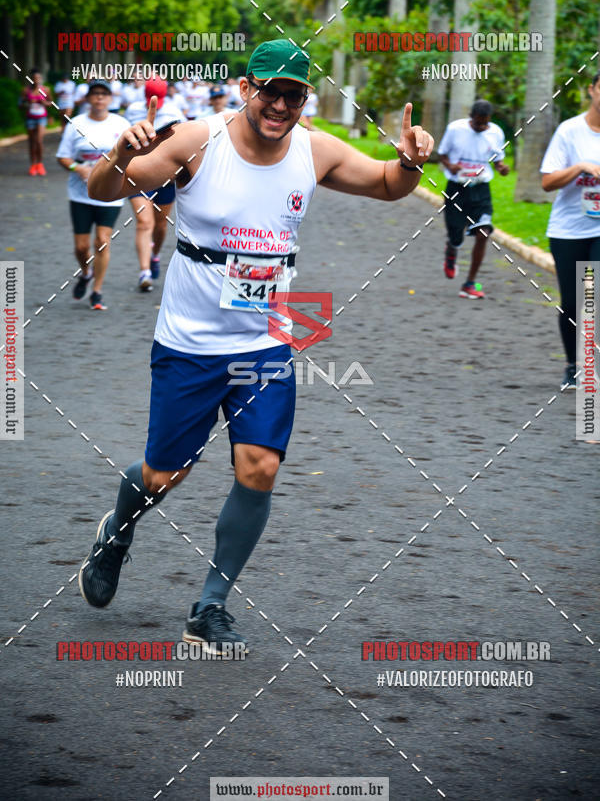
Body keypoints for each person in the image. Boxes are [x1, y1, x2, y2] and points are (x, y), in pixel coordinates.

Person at [78, 39, 433, 653]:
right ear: (247, 89)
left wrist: (408, 161)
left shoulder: (312, 149)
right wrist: (117, 154)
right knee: (165, 474)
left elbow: (385, 185)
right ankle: (116, 533)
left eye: (293, 94)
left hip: (265, 341)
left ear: (304, 100)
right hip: (189, 343)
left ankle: (209, 607)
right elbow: (103, 188)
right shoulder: (196, 140)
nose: (280, 104)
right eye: (269, 90)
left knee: (260, 467)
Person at [540, 71, 600, 389]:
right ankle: (572, 366)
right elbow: (547, 181)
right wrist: (579, 168)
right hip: (568, 231)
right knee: (574, 301)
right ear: (592, 90)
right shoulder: (570, 131)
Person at [56, 80, 130, 310]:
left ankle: (97, 291)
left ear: (110, 99)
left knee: (102, 241)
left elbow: (132, 156)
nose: (99, 98)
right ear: (88, 99)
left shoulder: (121, 124)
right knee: (80, 247)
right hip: (80, 194)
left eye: (104, 94)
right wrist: (76, 168)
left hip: (111, 194)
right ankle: (86, 273)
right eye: (95, 94)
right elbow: (63, 157)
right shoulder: (75, 124)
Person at [438, 100, 510, 298]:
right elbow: (442, 154)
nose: (481, 127)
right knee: (456, 233)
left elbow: (497, 160)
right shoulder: (455, 129)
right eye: (477, 123)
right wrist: (450, 166)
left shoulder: (495, 132)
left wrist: (502, 168)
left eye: (484, 124)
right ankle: (452, 248)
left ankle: (470, 283)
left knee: (483, 233)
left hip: (481, 189)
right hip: (456, 189)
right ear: (471, 117)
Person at [124, 77, 183, 290]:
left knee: (159, 224)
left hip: (165, 176)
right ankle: (144, 272)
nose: (154, 102)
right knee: (144, 222)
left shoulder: (175, 112)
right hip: (137, 173)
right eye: (150, 98)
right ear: (144, 95)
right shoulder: (132, 111)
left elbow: (183, 143)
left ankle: (155, 255)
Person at [20, 69, 52, 175]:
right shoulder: (26, 90)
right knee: (31, 142)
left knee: (39, 140)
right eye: (34, 78)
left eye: (38, 78)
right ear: (30, 79)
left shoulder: (45, 90)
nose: (36, 80)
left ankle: (40, 164)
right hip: (30, 118)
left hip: (41, 118)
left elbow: (51, 103)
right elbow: (20, 105)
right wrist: (28, 103)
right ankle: (33, 165)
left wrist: (44, 103)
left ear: (41, 79)